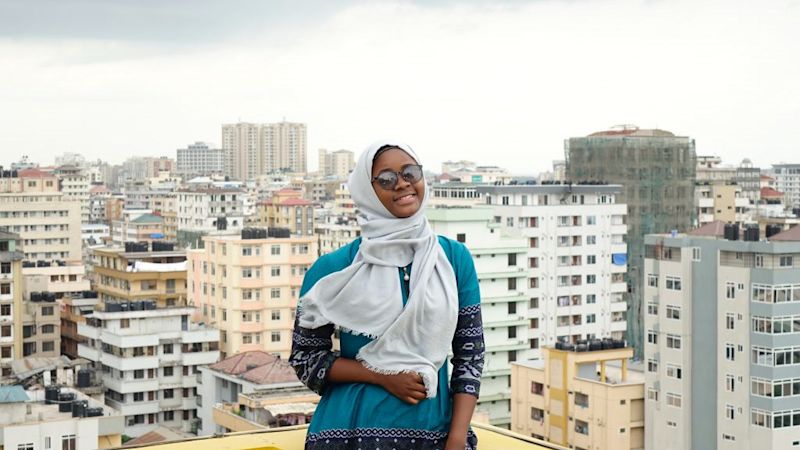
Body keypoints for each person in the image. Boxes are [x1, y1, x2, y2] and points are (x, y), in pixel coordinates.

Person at [290, 140, 485, 450]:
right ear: (367, 192)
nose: (402, 183)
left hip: (434, 434)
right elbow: (305, 359)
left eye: (410, 172)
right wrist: (380, 375)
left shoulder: (453, 259)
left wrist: (457, 438)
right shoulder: (335, 270)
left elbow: (470, 356)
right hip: (350, 433)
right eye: (386, 179)